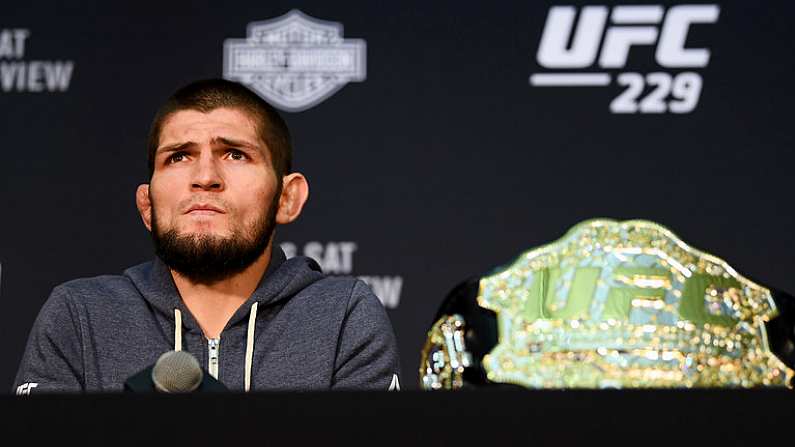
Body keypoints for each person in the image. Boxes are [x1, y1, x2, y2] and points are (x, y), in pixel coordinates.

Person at [13, 79, 401, 393]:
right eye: (178, 156)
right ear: (147, 205)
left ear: (287, 197)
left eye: (235, 154)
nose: (204, 177)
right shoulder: (80, 315)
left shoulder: (343, 316)